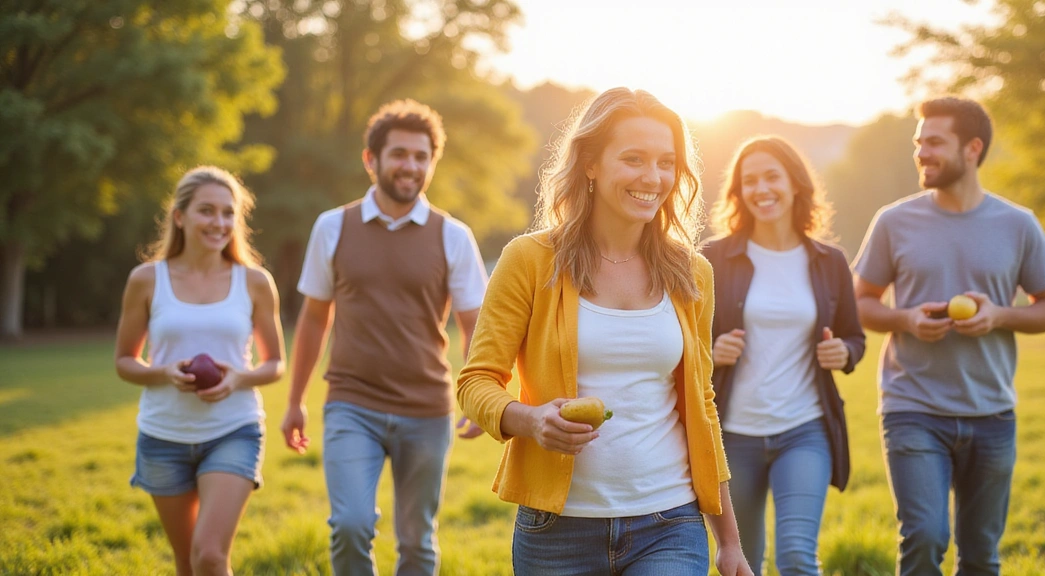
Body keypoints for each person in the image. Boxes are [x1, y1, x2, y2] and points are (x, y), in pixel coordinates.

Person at [457, 87, 753, 576]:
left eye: (666, 162)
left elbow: (701, 404)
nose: (652, 177)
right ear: (590, 163)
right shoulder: (530, 260)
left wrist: (729, 541)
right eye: (633, 159)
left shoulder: (692, 273)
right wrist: (530, 420)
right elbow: (476, 382)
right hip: (557, 532)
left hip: (670, 522)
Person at [852, 97, 1045, 575]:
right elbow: (860, 302)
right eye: (918, 142)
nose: (921, 153)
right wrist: (907, 320)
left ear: (973, 149)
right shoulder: (894, 221)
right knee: (925, 537)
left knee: (980, 556)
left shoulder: (1018, 224)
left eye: (934, 142)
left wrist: (998, 317)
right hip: (913, 407)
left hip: (991, 413)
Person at [281, 99, 488, 576]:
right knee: (351, 524)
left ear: (432, 163)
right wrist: (294, 401)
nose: (410, 166)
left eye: (421, 157)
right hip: (352, 403)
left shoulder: (454, 236)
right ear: (370, 159)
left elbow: (474, 325)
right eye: (399, 154)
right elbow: (314, 319)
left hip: (427, 408)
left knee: (417, 541)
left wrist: (480, 397)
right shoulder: (332, 227)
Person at [702, 136, 865, 575]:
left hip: (804, 430)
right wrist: (711, 353)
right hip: (732, 435)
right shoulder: (713, 258)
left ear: (795, 183)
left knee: (796, 557)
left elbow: (854, 336)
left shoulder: (829, 261)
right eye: (749, 180)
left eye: (772, 176)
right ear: (739, 192)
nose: (761, 189)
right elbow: (680, 341)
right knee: (742, 562)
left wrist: (843, 352)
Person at [115, 166, 285, 576]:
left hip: (233, 430)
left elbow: (275, 363)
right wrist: (164, 372)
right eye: (207, 210)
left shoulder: (255, 282)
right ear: (180, 216)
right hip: (163, 436)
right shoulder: (146, 280)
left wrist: (239, 378)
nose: (219, 222)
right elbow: (124, 361)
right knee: (187, 561)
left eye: (228, 213)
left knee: (209, 555)